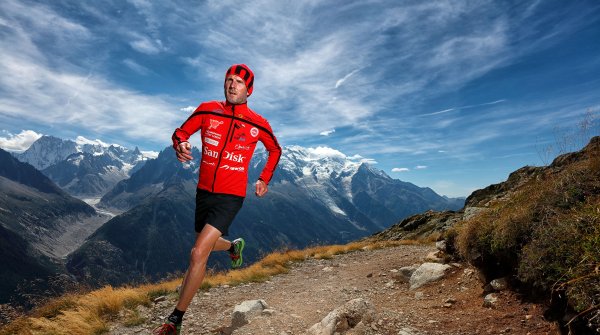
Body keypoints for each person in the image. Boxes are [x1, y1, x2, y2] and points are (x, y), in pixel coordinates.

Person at [154, 64, 281, 335]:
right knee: (207, 244)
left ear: (249, 89)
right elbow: (180, 132)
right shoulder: (207, 109)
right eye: (228, 80)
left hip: (231, 196)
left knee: (198, 252)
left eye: (238, 82)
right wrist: (180, 145)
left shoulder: (258, 122)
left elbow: (275, 150)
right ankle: (233, 247)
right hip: (204, 192)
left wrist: (264, 178)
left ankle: (175, 319)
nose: (231, 85)